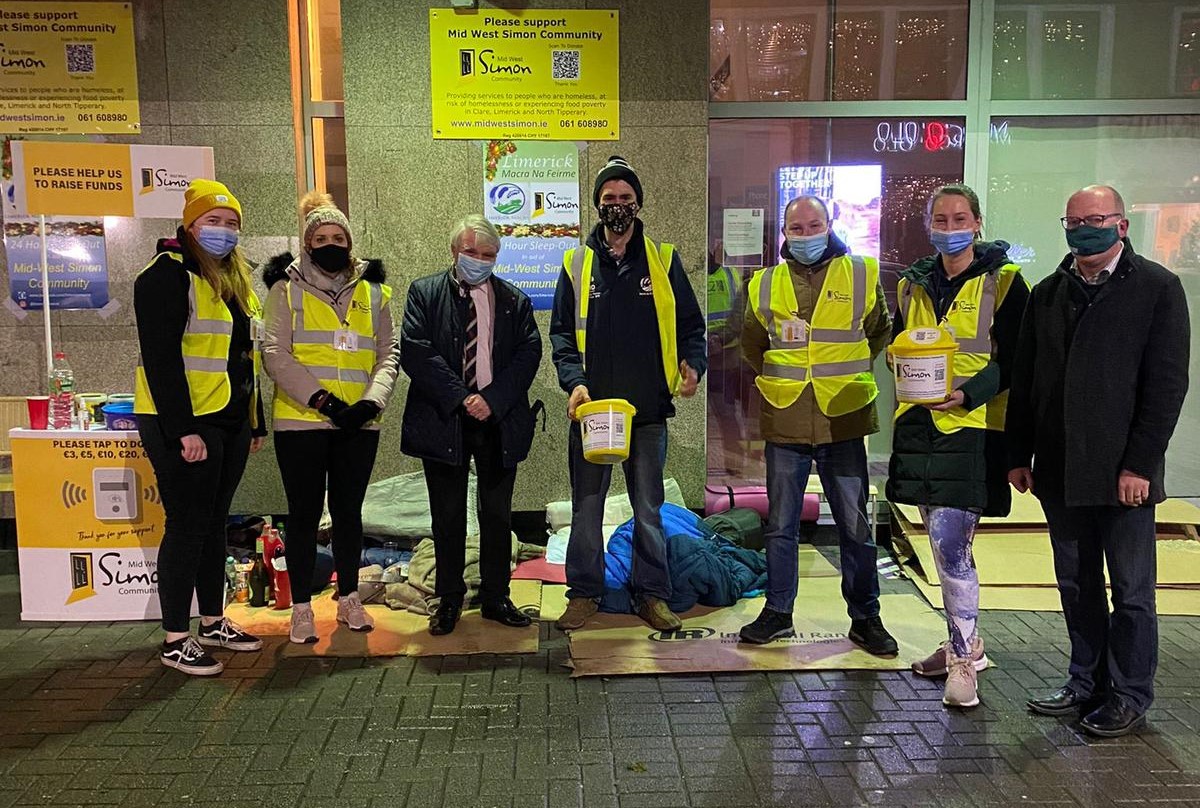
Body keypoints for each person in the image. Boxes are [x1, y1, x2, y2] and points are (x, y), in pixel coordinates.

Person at [1008, 185, 1190, 737]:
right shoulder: (1047, 293)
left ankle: (1130, 693)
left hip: (1123, 475)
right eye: (1074, 220)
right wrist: (1019, 453)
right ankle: (1085, 682)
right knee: (1077, 584)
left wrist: (1139, 465)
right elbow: (1027, 381)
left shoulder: (1158, 288)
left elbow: (1165, 387)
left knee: (1132, 592)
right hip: (1060, 469)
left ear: (1122, 225)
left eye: (1095, 219)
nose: (1084, 229)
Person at [887, 184, 1030, 707]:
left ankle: (966, 659)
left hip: (971, 427)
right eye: (940, 219)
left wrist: (967, 394)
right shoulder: (911, 286)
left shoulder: (1007, 283)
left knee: (951, 548)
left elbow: (1017, 360)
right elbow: (903, 343)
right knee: (939, 542)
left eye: (960, 217)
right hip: (921, 426)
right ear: (929, 224)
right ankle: (958, 644)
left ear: (978, 221)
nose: (950, 228)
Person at [551, 156, 707, 632]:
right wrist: (574, 382)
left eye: (625, 198)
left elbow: (692, 329)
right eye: (608, 199)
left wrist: (692, 366)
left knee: (649, 509)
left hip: (647, 413)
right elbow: (561, 335)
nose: (617, 206)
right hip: (594, 411)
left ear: (638, 204)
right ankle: (584, 593)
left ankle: (652, 595)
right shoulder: (577, 264)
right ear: (597, 205)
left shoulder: (663, 260)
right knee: (586, 507)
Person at [738, 195, 896, 655]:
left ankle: (866, 618)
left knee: (855, 526)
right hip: (785, 419)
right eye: (797, 228)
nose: (805, 235)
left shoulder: (861, 273)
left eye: (814, 225)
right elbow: (752, 345)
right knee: (780, 526)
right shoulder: (764, 283)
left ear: (831, 224)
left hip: (842, 420)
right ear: (784, 232)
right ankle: (778, 613)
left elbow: (878, 333)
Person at [133, 179, 266, 675]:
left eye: (232, 224)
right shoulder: (164, 276)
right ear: (190, 225)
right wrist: (181, 430)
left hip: (227, 419)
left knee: (215, 523)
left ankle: (212, 622)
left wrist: (254, 424)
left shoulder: (230, 279)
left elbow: (241, 359)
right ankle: (174, 638)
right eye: (214, 221)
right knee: (187, 526)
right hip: (185, 423)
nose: (224, 231)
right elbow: (161, 360)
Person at [261, 192, 399, 643]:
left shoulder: (375, 293)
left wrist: (371, 403)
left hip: (359, 424)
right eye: (321, 237)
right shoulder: (285, 291)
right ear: (307, 243)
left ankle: (349, 598)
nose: (331, 243)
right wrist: (324, 402)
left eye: (338, 236)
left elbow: (388, 354)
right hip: (301, 422)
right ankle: (302, 607)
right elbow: (275, 355)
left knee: (348, 513)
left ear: (351, 241)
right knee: (302, 515)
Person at [400, 214, 542, 636]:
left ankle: (497, 596)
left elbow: (528, 354)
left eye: (489, 255)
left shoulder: (515, 301)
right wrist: (462, 397)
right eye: (472, 253)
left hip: (497, 421)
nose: (480, 261)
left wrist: (492, 401)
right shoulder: (424, 293)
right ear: (453, 252)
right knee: (447, 516)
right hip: (444, 419)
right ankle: (448, 598)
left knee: (497, 513)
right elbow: (415, 351)